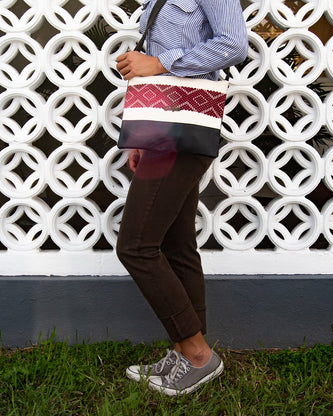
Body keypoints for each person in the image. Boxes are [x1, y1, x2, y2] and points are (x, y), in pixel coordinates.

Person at [115, 0, 248, 396]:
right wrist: (140, 134)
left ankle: (197, 354)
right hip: (160, 127)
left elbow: (233, 44)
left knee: (137, 246)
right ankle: (184, 355)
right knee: (176, 244)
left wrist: (160, 62)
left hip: (185, 128)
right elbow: (154, 72)